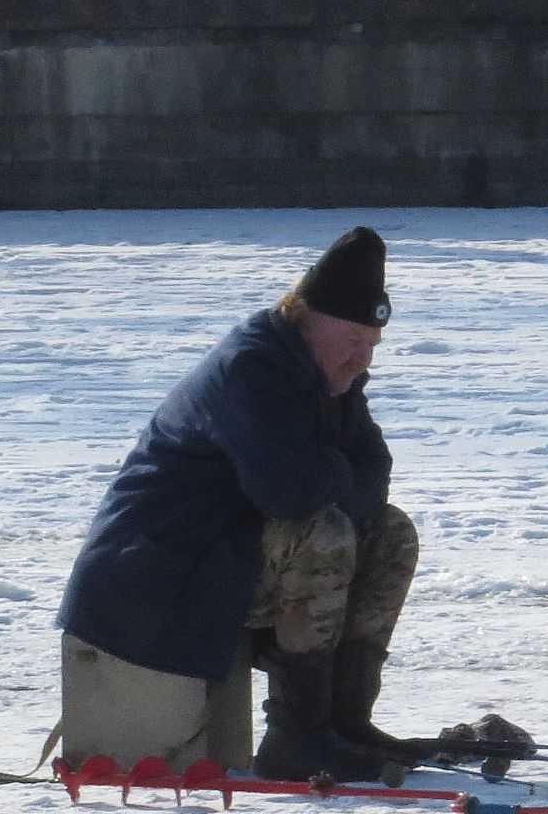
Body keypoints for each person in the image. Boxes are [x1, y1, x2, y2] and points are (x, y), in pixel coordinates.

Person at [56, 226, 420, 782]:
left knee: (391, 533)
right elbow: (288, 493)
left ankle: (342, 722)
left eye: (371, 345)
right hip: (159, 573)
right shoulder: (251, 369)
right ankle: (297, 737)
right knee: (321, 531)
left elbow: (376, 480)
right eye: (352, 339)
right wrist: (338, 475)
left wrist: (331, 473)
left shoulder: (333, 377)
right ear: (306, 317)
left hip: (227, 561)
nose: (361, 358)